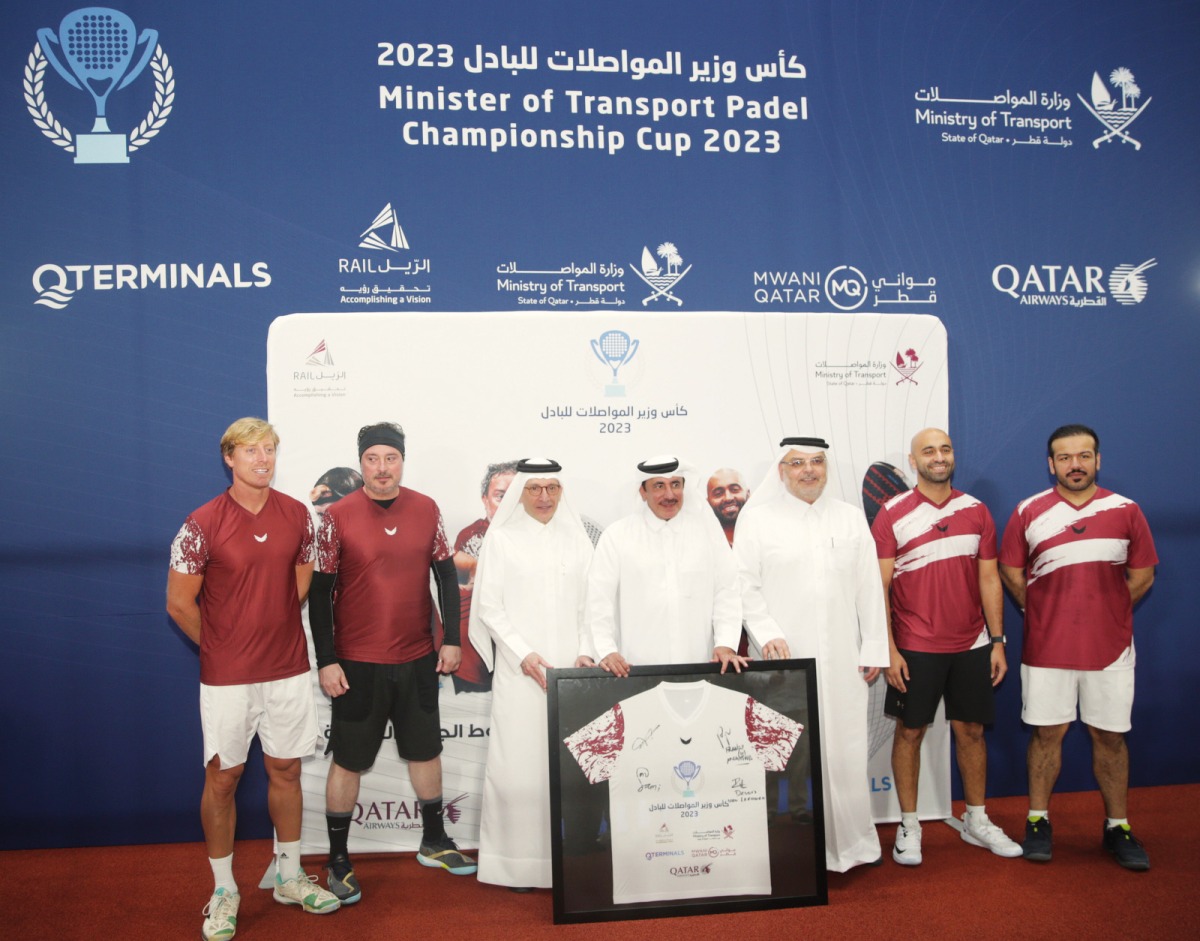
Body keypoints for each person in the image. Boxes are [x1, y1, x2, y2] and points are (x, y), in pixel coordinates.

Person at [167, 417, 340, 941]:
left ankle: (289, 875)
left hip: (287, 668)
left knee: (286, 769)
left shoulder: (298, 516)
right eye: (250, 452)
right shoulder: (201, 523)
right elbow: (179, 603)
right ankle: (224, 890)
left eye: (269, 450)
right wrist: (224, 649)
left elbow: (300, 585)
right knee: (223, 777)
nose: (262, 459)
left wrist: (270, 637)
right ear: (229, 458)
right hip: (227, 678)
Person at [309, 422, 475, 906]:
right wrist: (327, 659)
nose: (382, 468)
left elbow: (445, 575)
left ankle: (434, 840)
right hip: (358, 663)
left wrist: (452, 640)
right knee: (349, 761)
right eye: (373, 459)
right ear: (361, 463)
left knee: (425, 750)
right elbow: (320, 596)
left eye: (391, 458)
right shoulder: (337, 516)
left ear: (403, 460)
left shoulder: (427, 508)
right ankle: (338, 860)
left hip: (418, 656)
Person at [999, 424, 1157, 870]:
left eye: (1084, 456)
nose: (1075, 465)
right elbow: (1010, 569)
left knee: (1110, 737)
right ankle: (1037, 820)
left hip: (1110, 651)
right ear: (1051, 464)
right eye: (1065, 458)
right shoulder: (1028, 511)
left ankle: (1117, 827)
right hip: (1047, 649)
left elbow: (1143, 574)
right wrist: (1043, 613)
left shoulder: (1126, 510)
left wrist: (1106, 615)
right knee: (1047, 734)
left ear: (1097, 460)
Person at [735, 435, 889, 872]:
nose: (808, 470)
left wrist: (875, 644)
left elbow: (868, 589)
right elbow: (744, 586)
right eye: (798, 463)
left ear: (826, 467)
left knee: (845, 749)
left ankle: (854, 844)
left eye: (816, 462)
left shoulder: (849, 518)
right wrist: (766, 634)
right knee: (781, 755)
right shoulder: (758, 520)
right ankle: (787, 853)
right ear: (782, 471)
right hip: (782, 661)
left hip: (844, 658)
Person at [872, 428, 1020, 865]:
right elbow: (878, 586)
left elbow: (989, 578)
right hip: (914, 646)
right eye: (929, 451)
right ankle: (910, 826)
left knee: (971, 731)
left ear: (953, 456)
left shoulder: (976, 511)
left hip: (973, 644)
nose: (939, 457)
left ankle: (976, 820)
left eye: (946, 449)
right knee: (910, 732)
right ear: (913, 461)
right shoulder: (891, 513)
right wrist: (890, 649)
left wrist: (997, 641)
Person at [468, 458, 594, 890]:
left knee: (569, 766)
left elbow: (592, 607)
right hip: (520, 671)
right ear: (521, 492)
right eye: (535, 488)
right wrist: (523, 655)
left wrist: (586, 653)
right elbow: (489, 607)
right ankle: (515, 864)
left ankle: (570, 860)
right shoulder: (501, 539)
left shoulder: (578, 540)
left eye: (552, 489)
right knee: (519, 766)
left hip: (571, 672)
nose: (544, 498)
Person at [584, 456, 745, 676]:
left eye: (675, 485)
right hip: (634, 671)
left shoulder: (707, 533)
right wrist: (606, 651)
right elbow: (598, 602)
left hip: (700, 665)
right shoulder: (617, 536)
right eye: (659, 486)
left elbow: (726, 592)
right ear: (643, 492)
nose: (669, 495)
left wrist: (725, 643)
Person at [450, 460, 519, 693]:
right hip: (482, 637)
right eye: (500, 496)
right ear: (485, 500)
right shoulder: (472, 537)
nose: (509, 504)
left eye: (516, 495)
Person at [706, 467, 750, 547]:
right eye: (718, 493)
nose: (728, 498)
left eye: (734, 489)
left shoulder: (764, 533)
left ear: (748, 495)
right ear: (708, 502)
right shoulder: (702, 542)